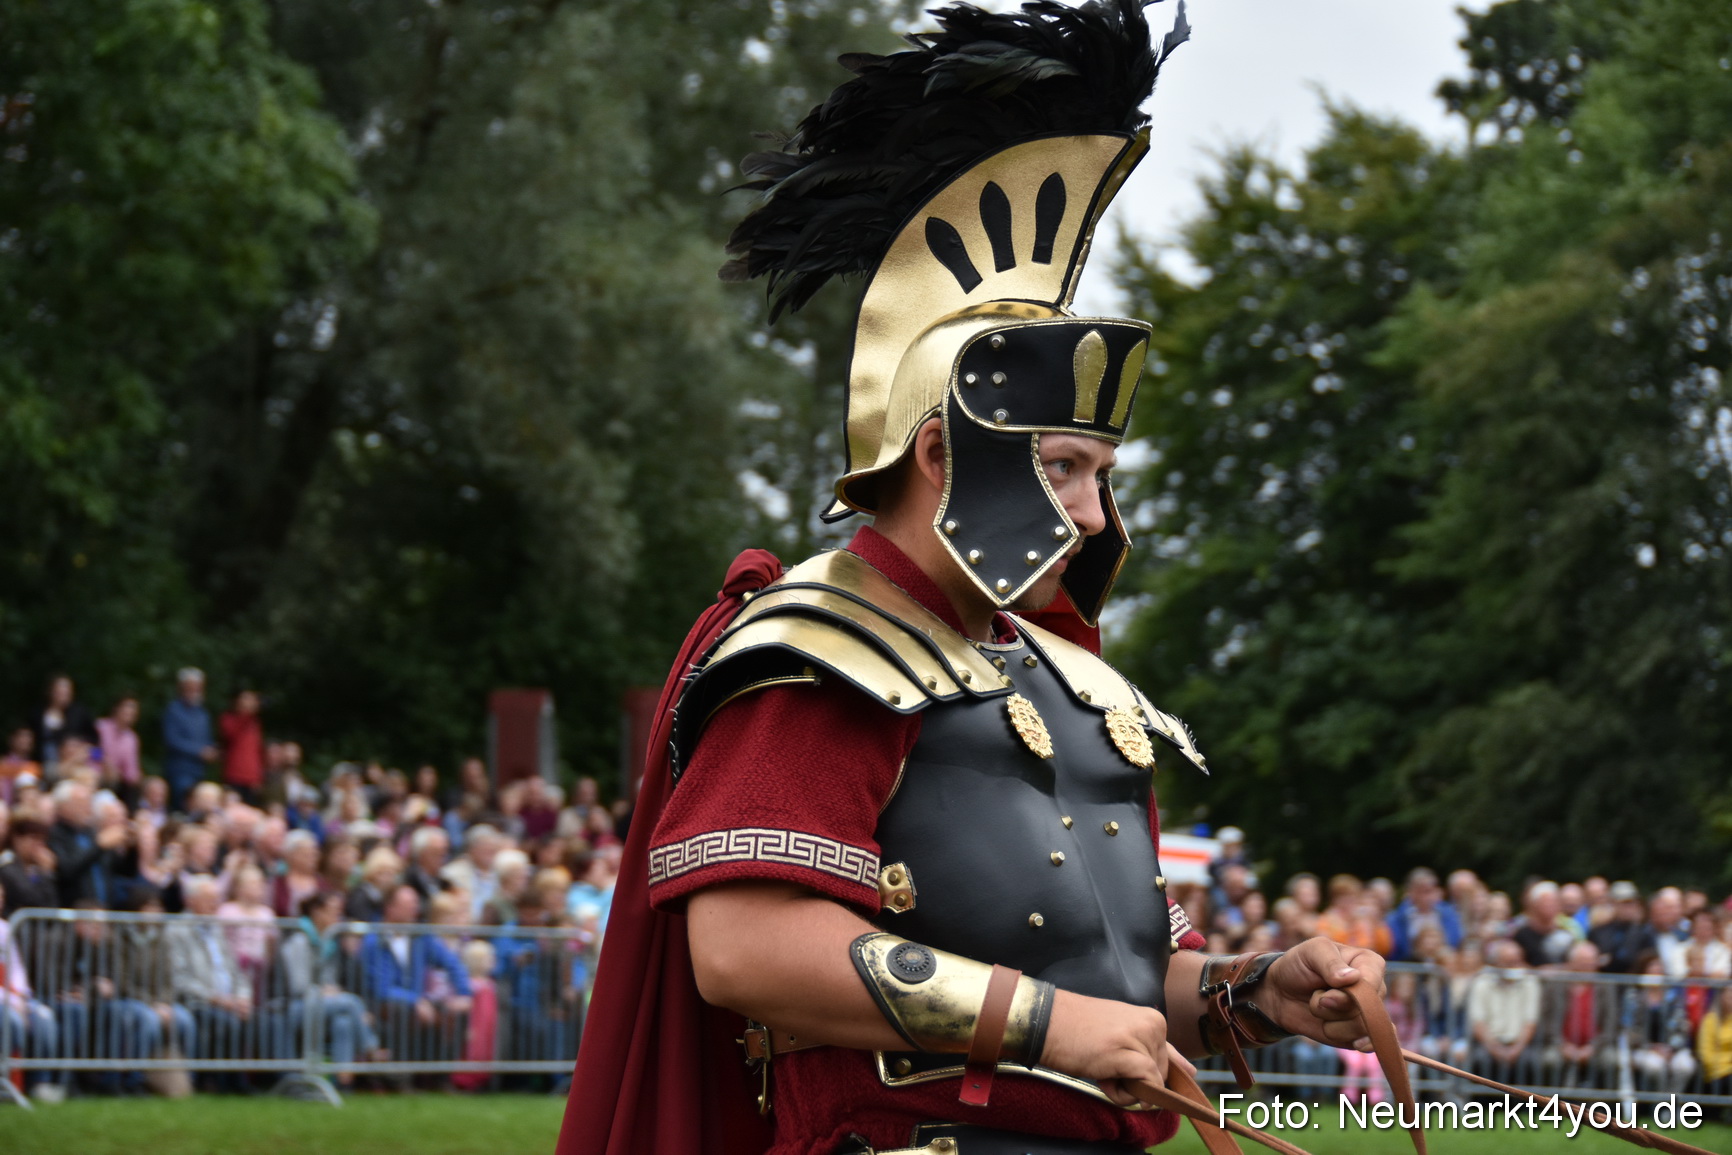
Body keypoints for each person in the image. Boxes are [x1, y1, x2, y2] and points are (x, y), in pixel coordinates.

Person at [559, 7, 1391, 1151]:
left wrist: (1253, 993)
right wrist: (1048, 1026)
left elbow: (1117, 983)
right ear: (939, 455)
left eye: (1099, 474)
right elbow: (746, 947)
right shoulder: (816, 650)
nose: (1092, 515)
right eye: (1060, 467)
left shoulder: (1068, 679)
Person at [277, 891, 383, 1087]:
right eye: (333, 911)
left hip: (321, 1003)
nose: (338, 917)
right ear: (317, 913)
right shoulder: (298, 940)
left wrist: (330, 990)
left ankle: (342, 1082)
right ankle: (370, 1047)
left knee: (343, 1021)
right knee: (351, 1003)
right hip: (296, 1005)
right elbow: (298, 985)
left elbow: (331, 982)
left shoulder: (330, 942)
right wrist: (324, 991)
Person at [1467, 939, 1540, 1082]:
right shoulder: (1481, 982)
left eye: (1517, 962)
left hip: (1520, 1044)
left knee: (1529, 1061)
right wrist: (1495, 1049)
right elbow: (1478, 1023)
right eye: (1509, 962)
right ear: (1496, 963)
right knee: (1480, 1059)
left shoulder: (1530, 982)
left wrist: (1516, 1049)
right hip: (1490, 1043)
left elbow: (1530, 1021)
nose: (1514, 967)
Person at [162, 668, 216, 814]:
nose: (195, 691)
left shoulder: (203, 714)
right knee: (182, 809)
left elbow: (207, 739)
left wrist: (212, 750)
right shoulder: (173, 710)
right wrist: (199, 751)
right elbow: (172, 740)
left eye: (198, 688)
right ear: (182, 688)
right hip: (180, 771)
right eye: (191, 687)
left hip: (199, 771)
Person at [1386, 867, 1463, 962]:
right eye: (1423, 891)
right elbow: (1395, 949)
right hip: (1409, 966)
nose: (1428, 896)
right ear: (1411, 892)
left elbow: (1456, 943)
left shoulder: (1450, 914)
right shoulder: (1397, 919)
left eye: (1431, 890)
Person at [33, 674, 97, 774]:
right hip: (50, 759)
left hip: (77, 756)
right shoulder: (39, 713)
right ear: (51, 692)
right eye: (60, 691)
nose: (63, 694)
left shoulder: (80, 712)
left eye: (66, 691)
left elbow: (93, 738)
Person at [1591, 882, 1657, 973]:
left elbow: (1648, 962)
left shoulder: (1645, 933)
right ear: (1613, 903)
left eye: (1633, 903)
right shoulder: (1599, 932)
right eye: (1625, 903)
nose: (1630, 907)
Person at [1511, 881, 1580, 967]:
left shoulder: (1567, 934)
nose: (1550, 906)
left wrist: (1555, 970)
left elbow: (1574, 964)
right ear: (1534, 905)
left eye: (1553, 902)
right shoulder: (1521, 935)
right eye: (1545, 903)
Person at [0, 817, 60, 915]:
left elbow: (51, 905)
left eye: (42, 840)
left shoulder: (36, 870)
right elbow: (30, 899)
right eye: (34, 838)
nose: (38, 845)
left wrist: (48, 874)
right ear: (17, 839)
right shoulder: (7, 867)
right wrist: (46, 874)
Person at [218, 690, 266, 807]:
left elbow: (257, 752)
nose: (250, 703)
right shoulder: (228, 719)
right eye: (246, 699)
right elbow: (230, 734)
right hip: (234, 776)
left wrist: (258, 777)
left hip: (251, 778)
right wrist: (245, 714)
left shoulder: (254, 723)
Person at [94, 695, 143, 805]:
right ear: (117, 709)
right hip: (96, 772)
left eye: (133, 710)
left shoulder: (131, 738)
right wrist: (105, 761)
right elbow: (90, 750)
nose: (130, 712)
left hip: (116, 780)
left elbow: (130, 769)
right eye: (127, 707)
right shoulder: (101, 727)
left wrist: (136, 777)